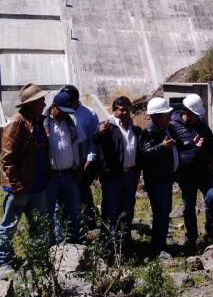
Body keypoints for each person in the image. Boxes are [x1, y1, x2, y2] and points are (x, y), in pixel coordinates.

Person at [0, 83, 49, 268]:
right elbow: (7, 158)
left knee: (38, 226)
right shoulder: (17, 123)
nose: (44, 104)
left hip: (38, 185)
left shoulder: (38, 122)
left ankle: (37, 260)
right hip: (20, 187)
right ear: (30, 103)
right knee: (9, 226)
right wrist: (17, 185)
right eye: (41, 101)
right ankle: (4, 262)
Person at [169, 94, 213, 248]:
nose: (197, 118)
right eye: (195, 115)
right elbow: (173, 149)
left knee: (212, 197)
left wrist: (212, 157)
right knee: (189, 204)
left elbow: (211, 141)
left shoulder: (202, 123)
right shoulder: (173, 125)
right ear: (187, 112)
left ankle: (211, 230)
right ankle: (192, 236)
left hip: (204, 171)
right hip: (186, 173)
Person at [97, 96, 141, 248]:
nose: (125, 113)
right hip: (112, 177)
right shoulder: (106, 127)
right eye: (121, 110)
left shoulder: (134, 129)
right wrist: (98, 134)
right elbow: (95, 144)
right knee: (110, 210)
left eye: (127, 110)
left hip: (130, 175)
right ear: (114, 110)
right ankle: (107, 246)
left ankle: (124, 243)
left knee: (127, 209)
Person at [58, 85, 100, 232]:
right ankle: (68, 225)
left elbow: (94, 139)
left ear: (77, 100)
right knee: (67, 195)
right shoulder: (61, 112)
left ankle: (89, 223)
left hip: (84, 161)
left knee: (82, 192)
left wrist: (89, 160)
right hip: (67, 162)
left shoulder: (89, 114)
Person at [44, 90, 84, 244]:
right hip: (51, 177)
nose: (64, 114)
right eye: (62, 111)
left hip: (69, 175)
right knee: (50, 212)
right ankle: (51, 245)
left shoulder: (70, 123)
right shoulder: (44, 123)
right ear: (53, 106)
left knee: (74, 210)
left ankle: (74, 243)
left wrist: (78, 167)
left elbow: (77, 146)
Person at [140, 97, 179, 255]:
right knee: (160, 211)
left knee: (165, 210)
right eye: (165, 114)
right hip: (156, 180)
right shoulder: (150, 131)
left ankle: (161, 243)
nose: (169, 117)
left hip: (165, 178)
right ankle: (158, 246)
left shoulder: (166, 129)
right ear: (156, 116)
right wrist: (161, 147)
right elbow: (144, 155)